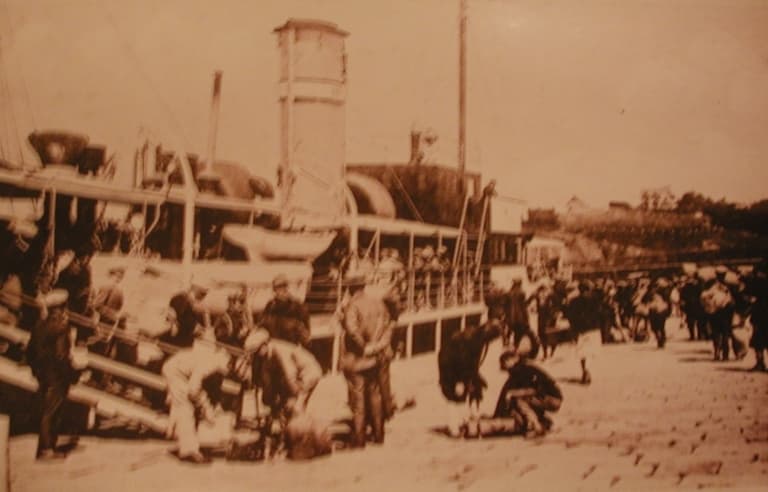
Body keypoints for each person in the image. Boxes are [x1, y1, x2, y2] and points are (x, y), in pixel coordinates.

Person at [25, 290, 81, 460]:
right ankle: (46, 449)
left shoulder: (39, 325)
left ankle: (46, 447)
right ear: (61, 308)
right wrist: (73, 373)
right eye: (65, 307)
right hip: (57, 377)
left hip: (43, 375)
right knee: (52, 413)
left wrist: (37, 371)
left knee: (46, 411)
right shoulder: (61, 328)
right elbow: (61, 356)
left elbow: (30, 352)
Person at [161, 336, 232, 464]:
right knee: (186, 409)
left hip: (182, 370)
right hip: (175, 372)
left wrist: (207, 408)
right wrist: (206, 407)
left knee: (186, 407)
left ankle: (176, 434)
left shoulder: (215, 361)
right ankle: (189, 451)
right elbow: (193, 390)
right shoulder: (209, 365)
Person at [339, 274, 391, 447]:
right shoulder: (378, 303)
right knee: (375, 396)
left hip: (357, 359)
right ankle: (379, 435)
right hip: (375, 358)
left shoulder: (352, 306)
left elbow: (352, 330)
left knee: (358, 400)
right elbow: (387, 326)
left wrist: (364, 347)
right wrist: (378, 346)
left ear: (350, 289)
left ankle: (359, 439)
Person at [244, 329, 322, 423]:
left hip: (308, 372)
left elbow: (290, 375)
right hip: (294, 375)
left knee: (295, 405)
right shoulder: (266, 356)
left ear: (264, 345)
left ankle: (298, 422)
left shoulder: (280, 351)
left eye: (256, 352)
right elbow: (267, 381)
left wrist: (293, 397)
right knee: (279, 402)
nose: (256, 356)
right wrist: (269, 401)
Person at [493, 334, 562, 437]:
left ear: (511, 360)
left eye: (505, 366)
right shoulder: (517, 370)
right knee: (519, 400)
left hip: (552, 398)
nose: (506, 370)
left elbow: (532, 390)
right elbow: (505, 392)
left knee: (520, 400)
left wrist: (513, 394)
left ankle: (536, 427)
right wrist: (497, 414)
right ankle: (544, 422)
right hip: (544, 398)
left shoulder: (523, 369)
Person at [261, 275, 311, 348]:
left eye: (284, 287)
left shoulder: (297, 305)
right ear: (274, 291)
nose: (282, 290)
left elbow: (306, 326)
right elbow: (263, 324)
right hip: (275, 345)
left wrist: (303, 338)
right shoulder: (270, 306)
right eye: (278, 288)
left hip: (292, 345)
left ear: (287, 288)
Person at [162, 282, 210, 348]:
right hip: (176, 338)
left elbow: (204, 325)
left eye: (204, 294)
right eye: (202, 293)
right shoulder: (181, 299)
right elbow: (173, 318)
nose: (203, 297)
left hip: (184, 338)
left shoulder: (196, 304)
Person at [643, 278, 672, 349]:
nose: (657, 287)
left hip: (661, 310)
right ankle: (659, 338)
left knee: (660, 326)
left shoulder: (665, 292)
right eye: (656, 285)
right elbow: (644, 300)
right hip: (653, 311)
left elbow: (668, 301)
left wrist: (668, 311)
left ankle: (662, 340)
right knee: (654, 327)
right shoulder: (650, 292)